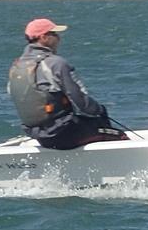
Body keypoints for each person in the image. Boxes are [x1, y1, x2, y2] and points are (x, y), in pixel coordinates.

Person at [7, 18, 128, 149]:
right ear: (44, 37)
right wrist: (100, 109)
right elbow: (81, 102)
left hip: (39, 135)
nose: (59, 38)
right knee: (120, 137)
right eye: (55, 34)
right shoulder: (56, 63)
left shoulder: (17, 66)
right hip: (64, 132)